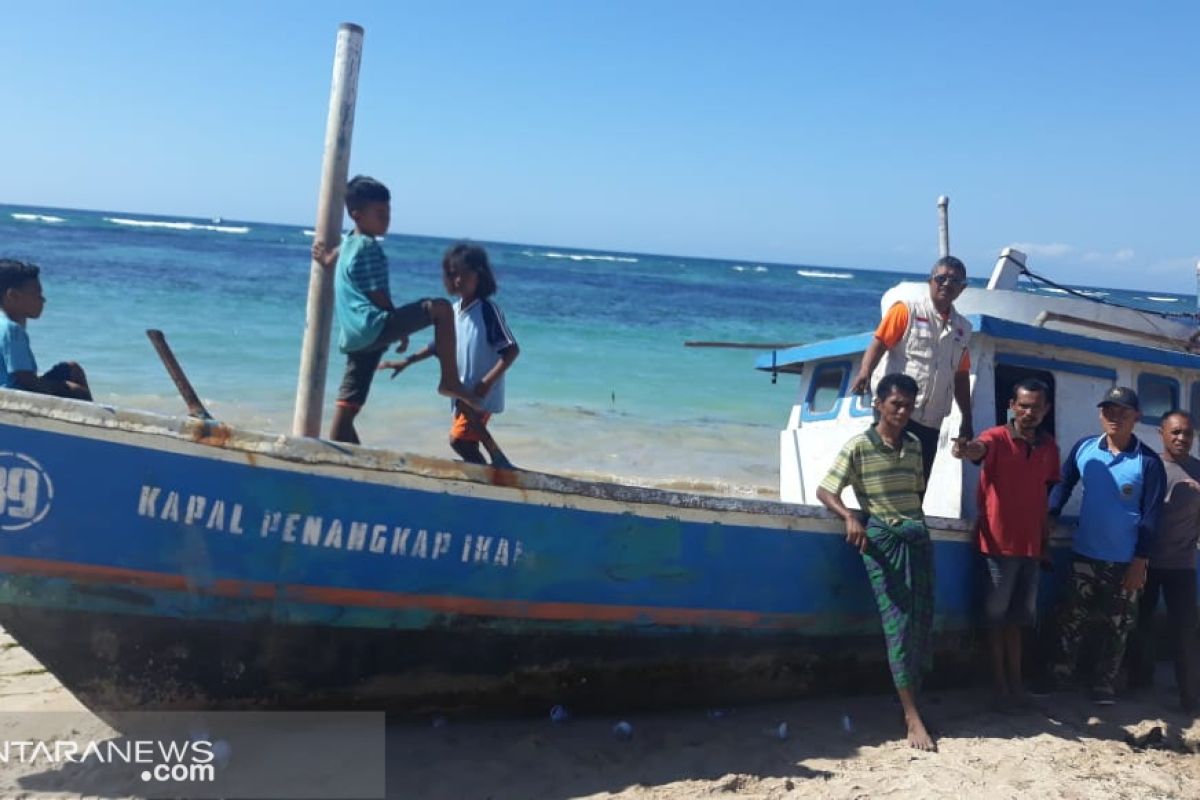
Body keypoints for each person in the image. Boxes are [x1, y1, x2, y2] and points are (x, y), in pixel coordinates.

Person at [816, 373, 937, 751]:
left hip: (917, 540)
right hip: (883, 544)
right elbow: (825, 489)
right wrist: (850, 516)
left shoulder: (915, 445)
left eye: (908, 405)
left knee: (921, 621)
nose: (902, 411)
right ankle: (911, 715)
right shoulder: (858, 447)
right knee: (897, 625)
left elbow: (915, 495)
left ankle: (913, 697)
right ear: (878, 405)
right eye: (895, 404)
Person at [311, 175, 476, 444]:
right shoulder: (369, 248)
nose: (386, 219)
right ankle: (449, 381)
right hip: (374, 325)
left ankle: (349, 460)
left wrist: (324, 258)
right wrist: (400, 331)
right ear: (357, 215)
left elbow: (335, 258)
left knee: (348, 408)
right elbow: (378, 295)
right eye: (379, 214)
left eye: (388, 213)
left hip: (355, 338)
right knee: (442, 309)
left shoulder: (351, 240)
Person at [1041, 386, 1166, 705]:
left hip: (1125, 560)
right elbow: (1063, 483)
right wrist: (1050, 513)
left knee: (1119, 625)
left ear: (1136, 417)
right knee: (1071, 618)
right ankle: (1060, 675)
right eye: (1109, 410)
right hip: (1084, 553)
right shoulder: (1085, 449)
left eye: (1123, 412)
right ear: (1100, 414)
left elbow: (1151, 517)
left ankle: (1104, 683)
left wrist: (1141, 561)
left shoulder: (1148, 463)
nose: (1115, 417)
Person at [952, 378, 1060, 709]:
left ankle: (1016, 685)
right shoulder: (996, 437)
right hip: (997, 546)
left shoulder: (1049, 447)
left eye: (1036, 407)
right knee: (996, 619)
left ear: (1046, 410)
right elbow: (976, 450)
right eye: (1023, 406)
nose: (1029, 412)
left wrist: (1044, 542)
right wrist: (964, 448)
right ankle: (999, 686)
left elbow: (1043, 497)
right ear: (1011, 406)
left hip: (1031, 547)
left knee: (1018, 620)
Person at [381, 243, 520, 464]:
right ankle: (483, 476)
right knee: (468, 441)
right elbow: (437, 346)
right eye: (453, 275)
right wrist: (406, 362)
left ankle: (486, 476)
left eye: (465, 275)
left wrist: (487, 382)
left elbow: (511, 350)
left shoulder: (487, 311)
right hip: (461, 392)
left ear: (479, 275)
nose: (458, 281)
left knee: (459, 440)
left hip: (480, 394)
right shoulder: (453, 311)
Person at [850, 256, 974, 484]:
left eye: (954, 281)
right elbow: (878, 343)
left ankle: (909, 520)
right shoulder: (906, 310)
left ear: (962, 288)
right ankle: (874, 520)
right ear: (930, 281)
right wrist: (865, 372)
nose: (947, 284)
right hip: (896, 412)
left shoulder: (964, 329)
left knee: (917, 484)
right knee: (885, 478)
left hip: (932, 419)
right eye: (942, 278)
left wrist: (967, 418)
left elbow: (960, 375)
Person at [1127, 409, 1200, 712]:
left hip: (1182, 565)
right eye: (1176, 432)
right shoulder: (1150, 467)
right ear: (1161, 433)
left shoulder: (1198, 470)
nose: (1182, 438)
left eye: (1187, 433)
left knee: (1185, 630)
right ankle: (1138, 681)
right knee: (1139, 624)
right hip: (1146, 563)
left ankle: (1190, 695)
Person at [0, 259, 91, 401]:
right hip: (15, 396)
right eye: (37, 295)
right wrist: (63, 388)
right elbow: (25, 380)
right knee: (79, 392)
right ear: (13, 296)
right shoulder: (12, 330)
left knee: (72, 369)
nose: (43, 300)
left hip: (11, 389)